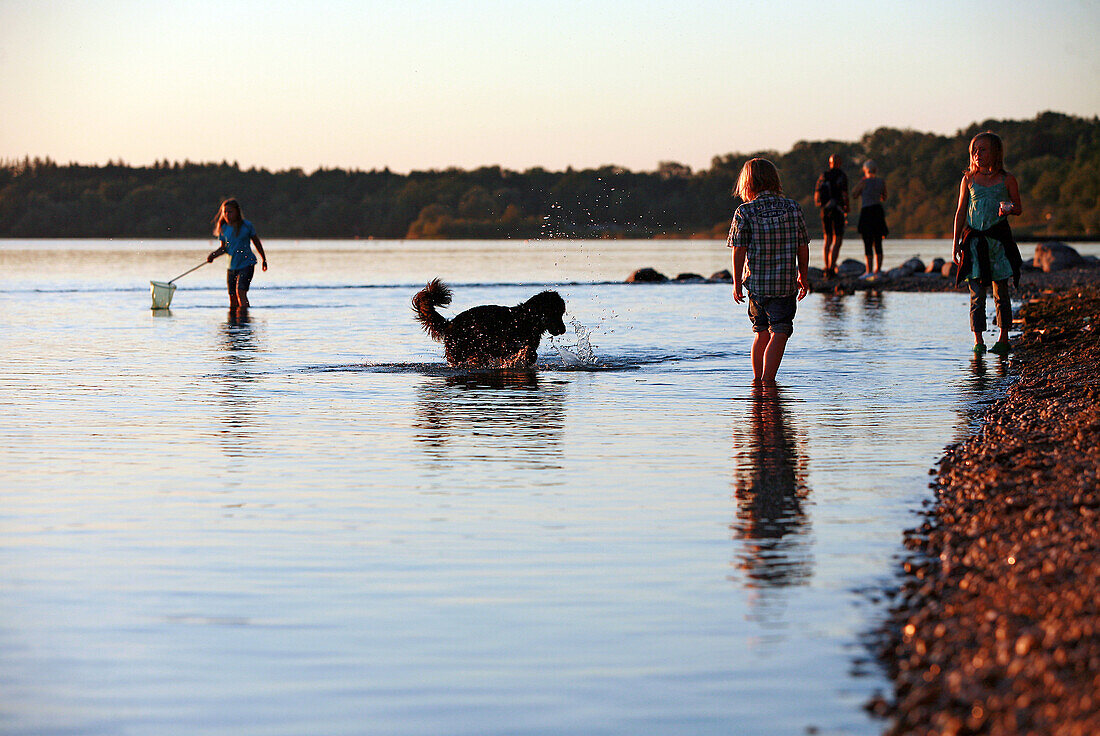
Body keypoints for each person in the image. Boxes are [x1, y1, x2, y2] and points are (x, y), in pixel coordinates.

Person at [728, 158, 811, 383]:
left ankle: (757, 382)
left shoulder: (745, 211)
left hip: (756, 285)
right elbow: (803, 246)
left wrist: (736, 282)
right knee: (780, 332)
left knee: (761, 331)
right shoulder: (793, 208)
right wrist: (803, 274)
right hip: (784, 285)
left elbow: (738, 251)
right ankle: (768, 381)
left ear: (748, 184)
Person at [951, 132, 1022, 355]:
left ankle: (1003, 338)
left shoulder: (1007, 179)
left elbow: (1018, 208)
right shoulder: (969, 179)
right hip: (974, 243)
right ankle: (978, 340)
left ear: (995, 153)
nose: (978, 154)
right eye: (974, 151)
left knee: (1001, 293)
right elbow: (961, 211)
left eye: (983, 149)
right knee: (977, 294)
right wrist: (955, 243)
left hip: (998, 243)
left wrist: (1008, 208)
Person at [207, 198, 268, 309]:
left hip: (247, 264)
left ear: (237, 212)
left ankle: (244, 320)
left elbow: (257, 242)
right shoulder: (223, 228)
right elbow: (223, 248)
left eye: (230, 212)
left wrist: (264, 259)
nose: (227, 215)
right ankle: (234, 321)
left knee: (240, 292)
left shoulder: (246, 226)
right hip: (232, 266)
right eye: (225, 212)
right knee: (232, 296)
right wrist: (213, 255)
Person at [814, 154, 849, 279]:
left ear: (830, 163)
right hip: (837, 210)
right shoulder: (841, 175)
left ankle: (826, 266)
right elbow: (844, 193)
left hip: (825, 210)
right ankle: (832, 267)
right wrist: (847, 207)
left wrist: (820, 205)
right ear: (839, 162)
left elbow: (817, 194)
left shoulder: (824, 176)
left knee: (827, 238)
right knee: (837, 239)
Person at [851, 160, 888, 278]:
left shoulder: (864, 182)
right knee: (878, 241)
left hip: (867, 211)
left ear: (865, 170)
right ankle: (878, 269)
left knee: (867, 241)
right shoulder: (881, 181)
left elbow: (854, 194)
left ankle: (869, 270)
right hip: (878, 211)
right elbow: (884, 196)